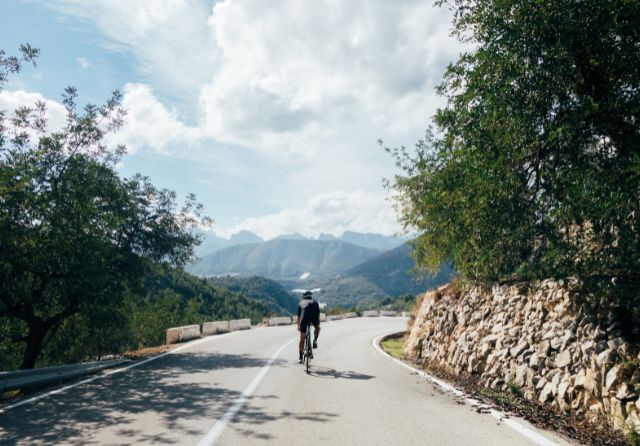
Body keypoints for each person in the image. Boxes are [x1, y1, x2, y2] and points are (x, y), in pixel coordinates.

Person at [297, 290, 321, 363]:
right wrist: (317, 325)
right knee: (318, 328)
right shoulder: (315, 302)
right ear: (311, 296)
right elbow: (318, 315)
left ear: (303, 296)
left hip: (304, 320)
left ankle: (301, 357)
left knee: (302, 339)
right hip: (314, 318)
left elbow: (298, 316)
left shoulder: (301, 303)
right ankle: (315, 340)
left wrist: (298, 326)